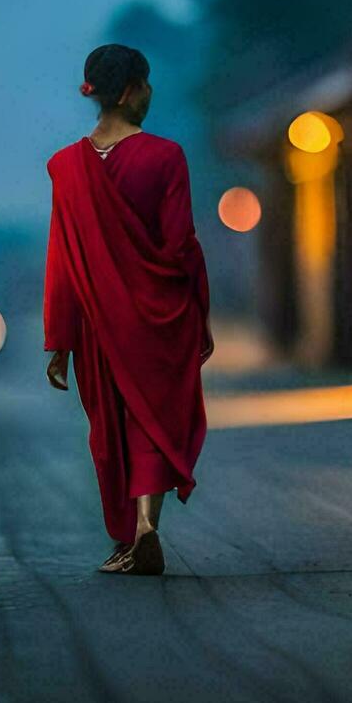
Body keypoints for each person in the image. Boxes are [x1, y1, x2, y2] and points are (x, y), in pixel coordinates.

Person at [43, 44, 213, 576]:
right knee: (152, 418)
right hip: (155, 314)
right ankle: (144, 527)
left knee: (109, 427)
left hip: (96, 323)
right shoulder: (165, 157)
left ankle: (127, 537)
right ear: (126, 91)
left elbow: (62, 260)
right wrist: (190, 299)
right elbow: (180, 243)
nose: (150, 94)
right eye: (144, 83)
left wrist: (60, 340)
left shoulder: (66, 167)